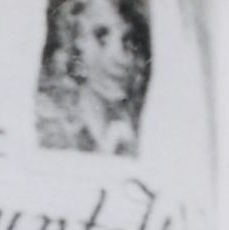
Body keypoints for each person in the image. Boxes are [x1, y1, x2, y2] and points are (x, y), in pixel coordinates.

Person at [35, 0, 151, 156]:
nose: (120, 58)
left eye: (129, 41)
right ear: (76, 39)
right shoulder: (52, 125)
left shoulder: (141, 128)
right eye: (101, 37)